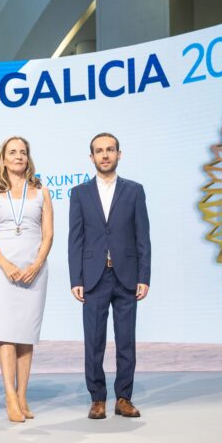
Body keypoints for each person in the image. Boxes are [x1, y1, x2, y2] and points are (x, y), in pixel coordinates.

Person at [68, 132, 150, 420]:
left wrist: (144, 276)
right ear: (91, 157)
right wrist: (75, 279)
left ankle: (124, 398)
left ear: (119, 154)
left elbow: (143, 237)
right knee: (94, 341)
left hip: (126, 276)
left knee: (126, 340)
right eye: (99, 151)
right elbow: (75, 239)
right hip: (93, 277)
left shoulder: (134, 190)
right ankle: (98, 398)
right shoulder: (79, 193)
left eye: (110, 150)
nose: (105, 155)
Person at [0, 136, 53, 423]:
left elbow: (48, 234)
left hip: (34, 268)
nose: (19, 156)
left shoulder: (42, 191)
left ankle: (23, 394)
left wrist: (36, 263)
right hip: (2, 268)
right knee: (6, 331)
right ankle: (9, 395)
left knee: (26, 333)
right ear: (4, 158)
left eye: (23, 152)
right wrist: (6, 265)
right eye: (13, 152)